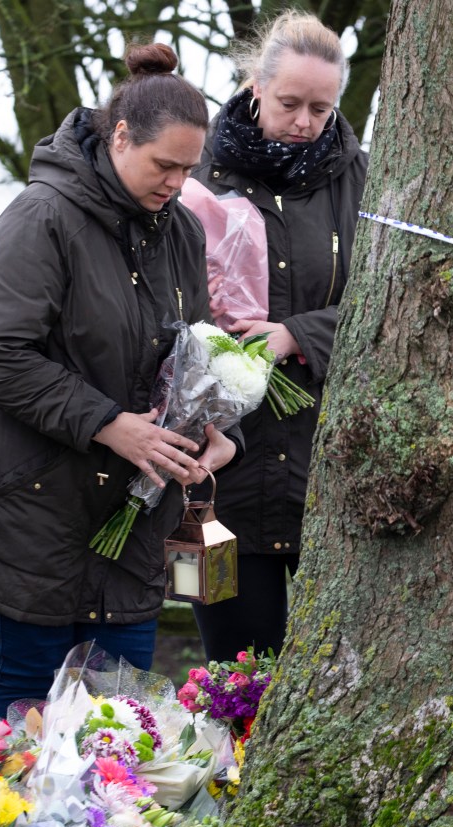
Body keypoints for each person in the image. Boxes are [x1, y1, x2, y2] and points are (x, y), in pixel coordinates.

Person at [0, 43, 238, 719]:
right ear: (118, 137)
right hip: (32, 509)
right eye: (163, 164)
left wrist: (214, 429)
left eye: (189, 169)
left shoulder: (182, 235)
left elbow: (194, 350)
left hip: (127, 519)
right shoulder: (41, 216)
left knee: (116, 726)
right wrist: (111, 425)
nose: (175, 181)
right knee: (23, 727)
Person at [188, 11, 368, 662]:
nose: (305, 121)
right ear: (253, 86)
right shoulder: (197, 172)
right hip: (222, 475)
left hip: (328, 474)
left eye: (322, 108)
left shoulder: (362, 181)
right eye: (290, 102)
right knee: (235, 673)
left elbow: (394, 305)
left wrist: (299, 334)